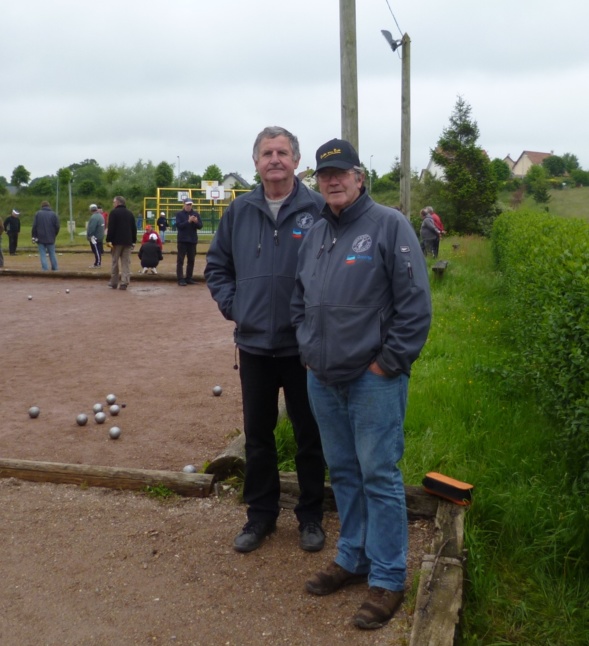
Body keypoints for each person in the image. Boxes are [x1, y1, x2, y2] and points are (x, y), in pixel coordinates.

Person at [292, 138, 432, 630]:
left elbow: (416, 306)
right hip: (322, 379)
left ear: (359, 176)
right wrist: (308, 351)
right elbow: (299, 298)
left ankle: (390, 578)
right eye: (324, 175)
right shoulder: (314, 233)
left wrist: (387, 363)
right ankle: (353, 558)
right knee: (344, 473)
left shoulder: (388, 225)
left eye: (341, 173)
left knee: (379, 476)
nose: (332, 181)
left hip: (373, 380)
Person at [205, 126, 326, 554]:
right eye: (266, 153)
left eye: (283, 152)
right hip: (254, 344)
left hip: (303, 347)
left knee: (311, 434)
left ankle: (311, 516)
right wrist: (235, 307)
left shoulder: (318, 208)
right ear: (256, 162)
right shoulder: (239, 212)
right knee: (258, 435)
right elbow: (217, 267)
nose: (275, 159)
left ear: (296, 160)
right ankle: (260, 516)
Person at [106, 195, 137, 290]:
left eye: (114, 202)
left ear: (118, 202)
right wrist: (134, 241)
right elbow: (134, 229)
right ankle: (124, 282)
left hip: (116, 242)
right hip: (128, 242)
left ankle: (114, 282)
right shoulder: (130, 213)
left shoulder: (114, 213)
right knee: (126, 263)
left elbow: (111, 228)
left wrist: (108, 239)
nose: (113, 203)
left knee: (115, 262)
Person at [175, 198, 202, 286]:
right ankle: (180, 279)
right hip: (182, 240)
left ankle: (189, 278)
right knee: (180, 260)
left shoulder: (196, 214)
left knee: (191, 260)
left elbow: (200, 226)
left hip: (192, 241)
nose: (189, 206)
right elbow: (179, 226)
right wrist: (188, 221)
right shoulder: (179, 214)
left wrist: (196, 222)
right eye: (187, 204)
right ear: (184, 204)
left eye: (190, 204)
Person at [32, 201, 60, 271]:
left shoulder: (38, 214)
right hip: (51, 237)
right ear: (49, 206)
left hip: (40, 237)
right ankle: (55, 268)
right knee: (52, 253)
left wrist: (34, 236)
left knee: (42, 254)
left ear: (42, 206)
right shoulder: (54, 214)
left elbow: (34, 226)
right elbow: (57, 226)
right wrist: (54, 234)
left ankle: (45, 268)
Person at [87, 204, 105, 268]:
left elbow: (92, 228)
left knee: (96, 250)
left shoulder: (94, 217)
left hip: (95, 237)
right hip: (100, 236)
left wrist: (90, 235)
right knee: (98, 250)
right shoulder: (100, 216)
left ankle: (98, 263)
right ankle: (97, 262)